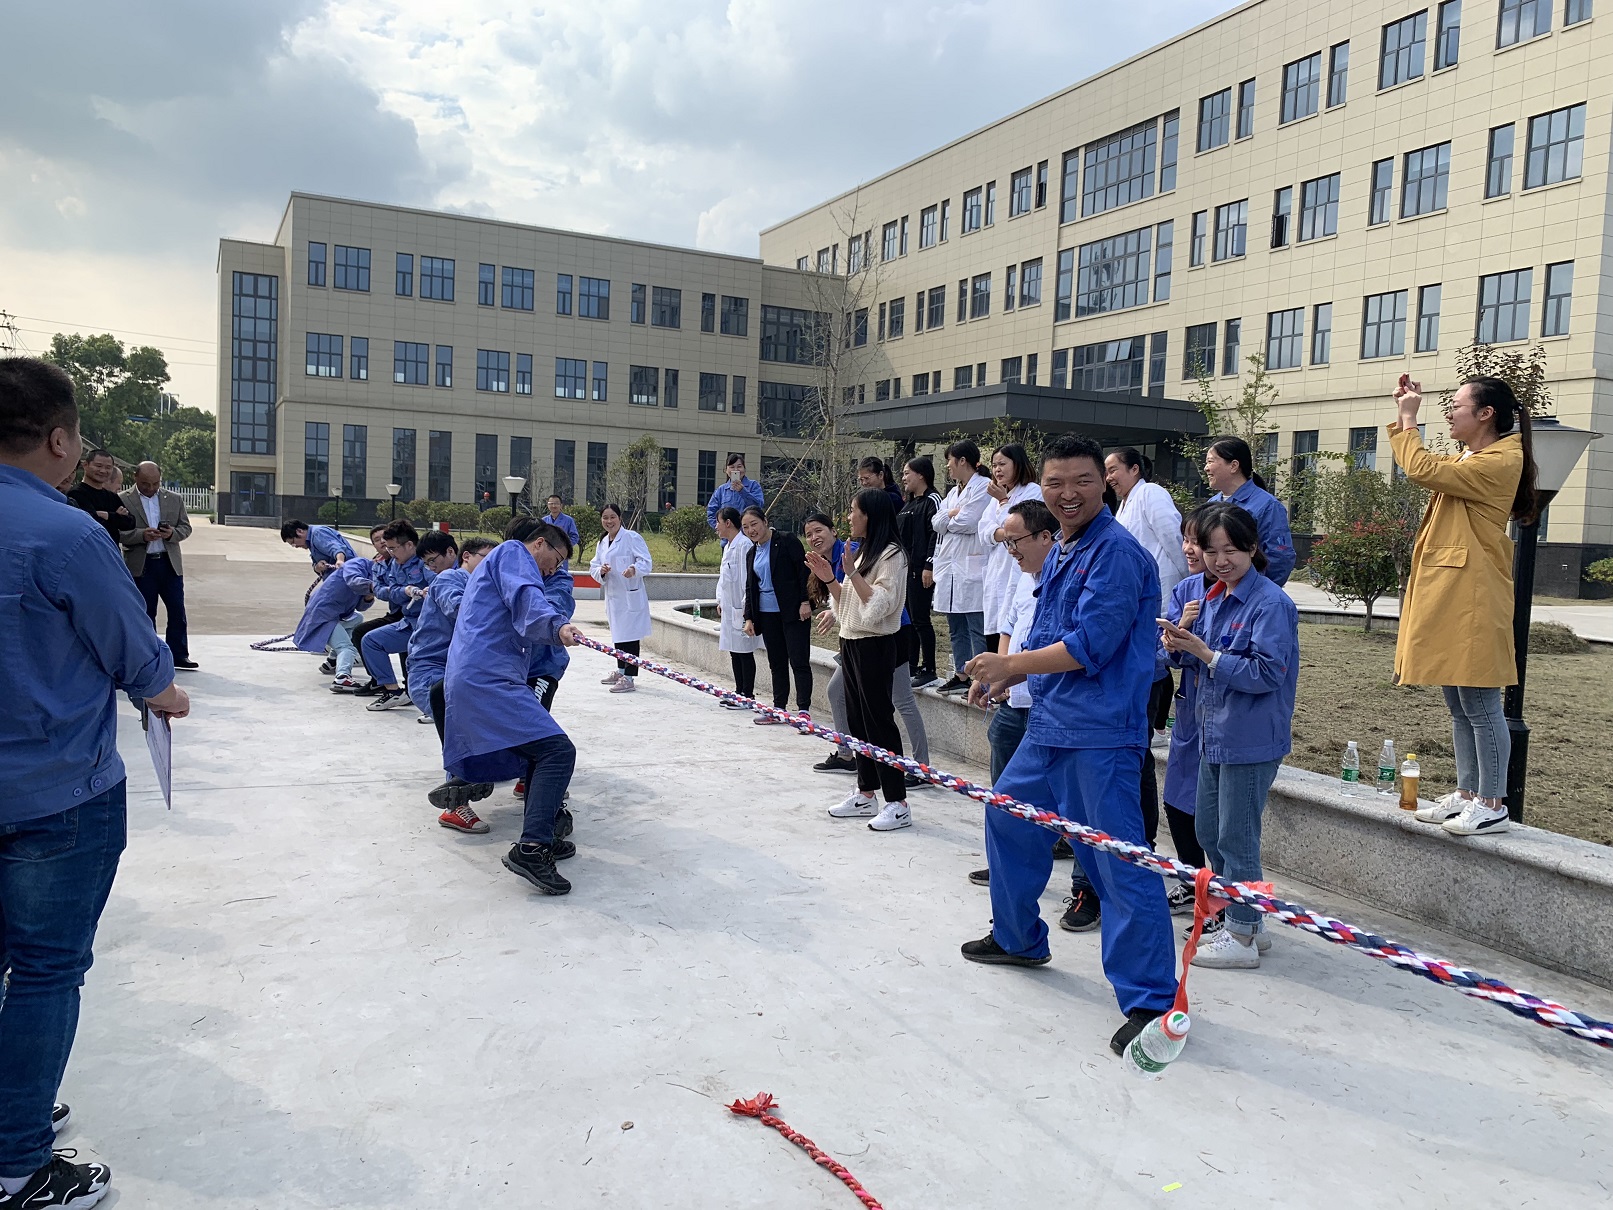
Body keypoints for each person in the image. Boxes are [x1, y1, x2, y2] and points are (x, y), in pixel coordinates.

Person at [0, 356, 191, 1207]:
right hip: (55, 794)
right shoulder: (67, 534)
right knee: (45, 971)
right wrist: (165, 692)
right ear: (59, 438)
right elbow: (139, 662)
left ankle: (11, 1103)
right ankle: (16, 1162)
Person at [958, 433, 1178, 1057]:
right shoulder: (1063, 547)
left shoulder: (1117, 554)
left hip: (1100, 734)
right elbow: (1049, 631)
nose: (1067, 493)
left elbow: (1091, 645)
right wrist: (1010, 676)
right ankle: (1018, 938)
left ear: (1104, 483)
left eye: (1082, 481)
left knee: (1116, 863)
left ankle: (1151, 1002)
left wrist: (1012, 665)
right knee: (1007, 817)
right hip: (1051, 724)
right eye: (1054, 483)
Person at [1392, 375, 1538, 838]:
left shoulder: (1502, 459)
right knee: (1458, 702)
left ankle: (1493, 803)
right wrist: (1405, 414)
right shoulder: (1471, 457)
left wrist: (1409, 419)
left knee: (1480, 702)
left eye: (1456, 405)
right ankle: (1468, 792)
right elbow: (1429, 467)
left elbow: (1421, 469)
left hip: (1474, 596)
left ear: (1486, 413)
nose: (1449, 413)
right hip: (1455, 592)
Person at [1159, 502, 1299, 969]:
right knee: (1209, 831)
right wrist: (1180, 641)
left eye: (1231, 551)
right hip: (1212, 733)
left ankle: (1240, 936)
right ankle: (1249, 921)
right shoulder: (1212, 596)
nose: (1220, 561)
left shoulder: (1271, 603)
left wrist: (1207, 654)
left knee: (1237, 839)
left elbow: (1268, 673)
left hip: (1250, 738)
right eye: (1211, 551)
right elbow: (1190, 659)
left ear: (1252, 548)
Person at [440, 520, 585, 895]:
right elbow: (528, 598)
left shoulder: (503, 564)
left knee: (539, 752)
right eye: (556, 559)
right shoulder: (513, 553)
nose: (553, 570)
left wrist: (555, 624)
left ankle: (541, 834)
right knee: (557, 751)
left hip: (485, 676)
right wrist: (557, 626)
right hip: (488, 679)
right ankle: (532, 849)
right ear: (539, 544)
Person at [965, 498, 1062, 887]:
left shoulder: (1065, 581)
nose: (1010, 550)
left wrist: (1007, 672)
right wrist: (995, 676)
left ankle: (1080, 886)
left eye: (1014, 541)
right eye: (1005, 542)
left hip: (1050, 707)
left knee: (1061, 802)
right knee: (1003, 797)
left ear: (1045, 536)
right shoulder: (1023, 575)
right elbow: (1009, 627)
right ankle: (1007, 864)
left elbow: (1063, 650)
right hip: (1013, 702)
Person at [806, 489, 912, 831]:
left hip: (876, 646)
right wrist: (830, 579)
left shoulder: (892, 554)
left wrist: (851, 573)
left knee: (879, 722)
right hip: (851, 642)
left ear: (871, 515)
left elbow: (880, 605)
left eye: (854, 510)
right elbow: (849, 602)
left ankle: (898, 802)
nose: (849, 516)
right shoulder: (864, 549)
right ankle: (866, 793)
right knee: (857, 721)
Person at [811, 512, 933, 788]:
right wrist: (835, 607)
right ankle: (848, 755)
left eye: (818, 530)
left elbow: (877, 600)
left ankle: (921, 768)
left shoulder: (867, 553)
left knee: (901, 701)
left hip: (890, 635)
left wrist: (844, 585)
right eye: (809, 534)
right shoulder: (845, 556)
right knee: (838, 693)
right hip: (857, 638)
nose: (814, 538)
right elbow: (849, 598)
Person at [1159, 507, 1212, 911]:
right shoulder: (1186, 590)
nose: (1189, 549)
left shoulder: (1253, 597)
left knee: (1217, 816)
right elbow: (1165, 656)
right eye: (1187, 540)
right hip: (1190, 711)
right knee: (1177, 802)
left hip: (1226, 717)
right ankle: (1191, 880)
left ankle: (1226, 901)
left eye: (1199, 542)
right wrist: (1180, 632)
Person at [119, 460, 197, 670]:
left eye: (155, 483)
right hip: (141, 565)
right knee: (145, 612)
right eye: (145, 484)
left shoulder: (174, 499)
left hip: (169, 563)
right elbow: (118, 533)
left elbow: (186, 527)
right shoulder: (123, 500)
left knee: (177, 611)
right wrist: (141, 535)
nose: (151, 488)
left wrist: (172, 534)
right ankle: (149, 656)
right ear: (135, 478)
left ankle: (179, 655)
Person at [741, 505, 813, 724]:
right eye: (745, 527)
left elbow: (803, 572)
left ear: (765, 521)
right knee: (777, 662)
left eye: (754, 524)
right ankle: (779, 708)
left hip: (793, 611)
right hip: (767, 614)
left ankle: (803, 710)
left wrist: (805, 601)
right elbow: (750, 587)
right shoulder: (752, 552)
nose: (751, 530)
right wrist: (749, 617)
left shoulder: (786, 540)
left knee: (799, 660)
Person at [931, 440, 992, 694]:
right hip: (951, 567)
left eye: (950, 461)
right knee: (956, 627)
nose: (947, 466)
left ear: (962, 461)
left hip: (972, 567)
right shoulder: (953, 492)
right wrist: (950, 514)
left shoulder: (983, 487)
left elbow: (970, 522)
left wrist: (950, 518)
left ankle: (983, 680)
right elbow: (936, 522)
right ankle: (961, 674)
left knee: (976, 627)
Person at [978, 443, 1043, 658]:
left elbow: (1020, 528)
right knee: (995, 628)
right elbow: (983, 530)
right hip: (996, 568)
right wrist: (1002, 533)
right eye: (994, 465)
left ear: (1018, 464)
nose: (997, 470)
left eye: (1002, 464)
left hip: (1017, 568)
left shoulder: (1032, 491)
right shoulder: (997, 497)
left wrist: (1004, 502)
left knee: (1014, 627)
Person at [357, 519, 430, 710]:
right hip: (409, 621)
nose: (389, 552)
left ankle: (432, 701)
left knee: (420, 662)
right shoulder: (394, 564)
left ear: (409, 545)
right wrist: (406, 591)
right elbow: (390, 591)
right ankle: (393, 691)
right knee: (370, 640)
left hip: (430, 625)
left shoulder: (426, 561)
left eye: (393, 548)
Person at [1202, 437, 1295, 585]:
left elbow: (1280, 557)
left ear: (1234, 466)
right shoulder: (1211, 504)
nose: (1206, 468)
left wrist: (1257, 591)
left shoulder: (1267, 506)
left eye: (1210, 461)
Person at [291, 551, 378, 689]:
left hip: (332, 615)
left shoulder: (373, 577)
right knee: (347, 648)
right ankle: (342, 678)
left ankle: (332, 660)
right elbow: (354, 581)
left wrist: (369, 595)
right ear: (379, 559)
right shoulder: (358, 564)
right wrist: (375, 586)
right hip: (323, 615)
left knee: (357, 619)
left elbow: (360, 607)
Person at [590, 503, 653, 692]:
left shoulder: (631, 537)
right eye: (605, 518)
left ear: (620, 518)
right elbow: (594, 566)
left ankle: (629, 677)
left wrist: (634, 569)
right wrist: (601, 571)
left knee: (630, 637)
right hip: (613, 596)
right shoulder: (603, 542)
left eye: (612, 517)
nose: (609, 521)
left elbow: (646, 561)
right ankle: (620, 670)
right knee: (619, 635)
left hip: (629, 595)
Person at [896, 456, 942, 686]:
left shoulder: (933, 500)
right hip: (905, 571)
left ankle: (929, 668)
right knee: (910, 620)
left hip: (922, 570)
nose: (904, 478)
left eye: (907, 473)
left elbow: (937, 535)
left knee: (921, 619)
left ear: (921, 475)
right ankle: (912, 664)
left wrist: (929, 565)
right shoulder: (909, 504)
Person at [714, 506, 762, 707]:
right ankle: (739, 690)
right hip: (729, 607)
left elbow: (746, 580)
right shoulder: (728, 546)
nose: (716, 527)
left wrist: (745, 608)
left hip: (741, 609)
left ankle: (747, 695)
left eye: (718, 522)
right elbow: (723, 577)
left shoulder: (743, 545)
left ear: (728, 523)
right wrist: (719, 600)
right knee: (735, 651)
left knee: (744, 652)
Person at [65, 448, 136, 544]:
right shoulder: (76, 493)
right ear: (85, 465)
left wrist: (107, 515)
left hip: (112, 549)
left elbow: (131, 522)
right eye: (98, 466)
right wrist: (117, 517)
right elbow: (92, 524)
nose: (103, 471)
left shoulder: (111, 496)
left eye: (108, 467)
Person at [705, 453, 764, 532]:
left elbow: (758, 506)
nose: (736, 470)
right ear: (726, 470)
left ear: (744, 469)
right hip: (728, 537)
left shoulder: (753, 485)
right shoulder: (721, 490)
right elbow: (711, 512)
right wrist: (720, 528)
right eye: (732, 467)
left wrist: (743, 491)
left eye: (739, 466)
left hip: (749, 534)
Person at [280, 519, 357, 578]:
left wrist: (340, 560)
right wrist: (317, 567)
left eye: (293, 542)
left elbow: (336, 548)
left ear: (299, 531)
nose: (296, 546)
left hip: (348, 574)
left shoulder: (318, 533)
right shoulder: (310, 542)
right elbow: (316, 564)